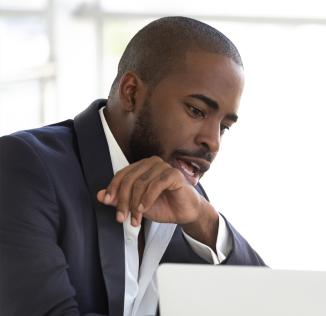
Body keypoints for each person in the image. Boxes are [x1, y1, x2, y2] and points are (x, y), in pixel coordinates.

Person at [0, 16, 265, 316]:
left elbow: (272, 303)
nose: (213, 142)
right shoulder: (24, 166)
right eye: (196, 110)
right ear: (131, 93)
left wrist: (205, 219)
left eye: (224, 127)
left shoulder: (187, 200)